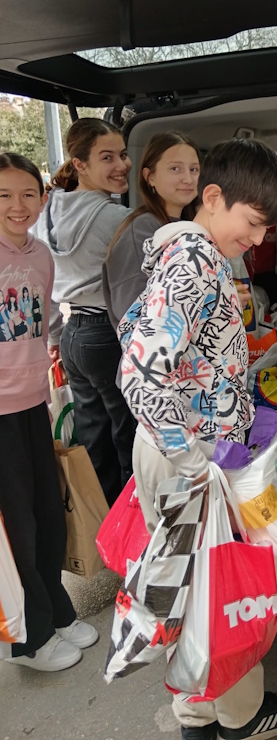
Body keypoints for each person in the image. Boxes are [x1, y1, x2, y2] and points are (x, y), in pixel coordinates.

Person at [119, 138, 277, 740]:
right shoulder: (194, 260)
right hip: (188, 457)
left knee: (190, 590)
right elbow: (139, 371)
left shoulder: (189, 253)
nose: (258, 239)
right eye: (254, 223)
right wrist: (191, 458)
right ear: (214, 197)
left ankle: (196, 714)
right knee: (217, 588)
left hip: (186, 449)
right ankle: (239, 716)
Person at [0, 152, 98, 672]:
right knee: (15, 526)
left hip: (33, 399)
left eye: (27, 194)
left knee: (45, 517)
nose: (17, 206)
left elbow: (42, 323)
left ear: (43, 199)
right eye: (3, 196)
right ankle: (29, 639)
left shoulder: (40, 254)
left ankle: (56, 610)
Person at [34, 117, 137, 505]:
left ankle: (100, 516)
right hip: (109, 333)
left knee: (94, 433)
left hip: (73, 333)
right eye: (107, 157)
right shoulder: (117, 219)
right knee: (129, 431)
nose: (121, 165)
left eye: (123, 154)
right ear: (79, 164)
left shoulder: (46, 213)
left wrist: (54, 336)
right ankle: (132, 520)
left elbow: (43, 282)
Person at [103, 131, 201, 330]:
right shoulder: (143, 229)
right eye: (175, 169)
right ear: (150, 177)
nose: (188, 179)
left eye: (194, 169)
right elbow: (132, 314)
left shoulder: (189, 226)